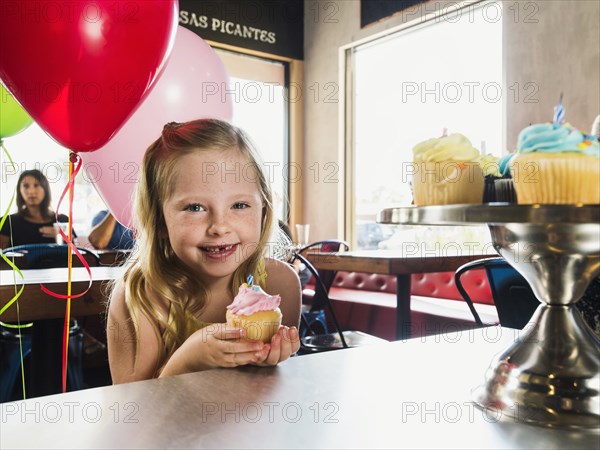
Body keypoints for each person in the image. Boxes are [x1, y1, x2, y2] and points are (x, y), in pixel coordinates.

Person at [107, 119, 301, 383]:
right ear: (160, 221)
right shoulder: (142, 295)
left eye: (240, 205)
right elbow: (132, 410)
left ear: (264, 209)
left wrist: (271, 361)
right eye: (195, 208)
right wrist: (187, 360)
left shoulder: (282, 284)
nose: (219, 227)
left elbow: (275, 390)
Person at [0, 169, 76, 249]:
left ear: (45, 188)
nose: (31, 191)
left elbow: (75, 255)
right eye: (26, 186)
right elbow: (2, 259)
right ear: (19, 190)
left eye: (36, 185)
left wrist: (61, 236)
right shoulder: (7, 222)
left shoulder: (62, 221)